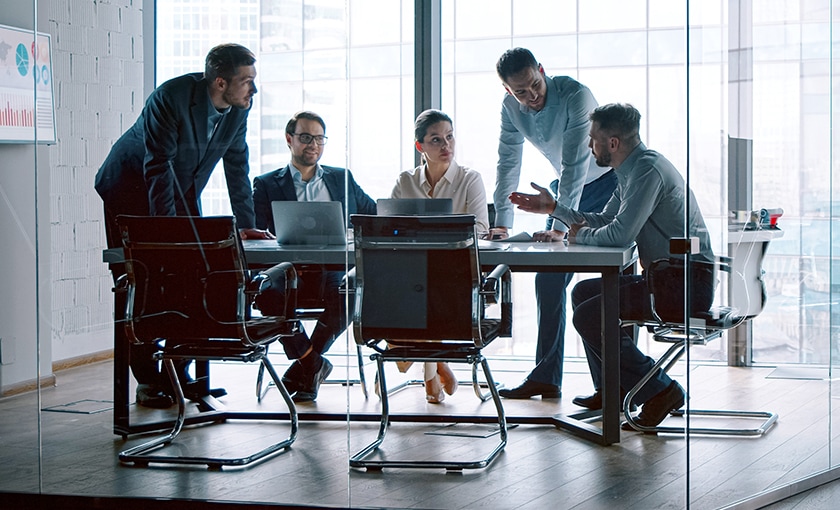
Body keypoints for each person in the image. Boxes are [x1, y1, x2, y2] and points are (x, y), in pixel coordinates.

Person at [509, 103, 715, 429]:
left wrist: (577, 237)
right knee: (583, 292)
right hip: (666, 278)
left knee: (590, 314)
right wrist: (555, 208)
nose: (590, 147)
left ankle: (661, 388)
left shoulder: (648, 171)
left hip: (686, 284)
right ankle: (612, 390)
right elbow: (605, 220)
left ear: (613, 143)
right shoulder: (631, 170)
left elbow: (620, 235)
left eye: (593, 140)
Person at [95, 43, 273, 409]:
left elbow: (237, 166)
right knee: (141, 280)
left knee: (193, 276)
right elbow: (157, 165)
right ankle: (148, 381)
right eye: (247, 81)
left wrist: (248, 225)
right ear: (220, 82)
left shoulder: (239, 108)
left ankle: (177, 370)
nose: (253, 90)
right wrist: (170, 236)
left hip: (181, 186)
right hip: (129, 187)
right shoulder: (171, 97)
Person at [490, 47, 618, 400]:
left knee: (609, 281)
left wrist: (561, 224)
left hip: (609, 185)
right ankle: (546, 375)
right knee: (548, 277)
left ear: (542, 71)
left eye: (534, 85)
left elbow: (575, 161)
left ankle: (612, 386)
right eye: (520, 92)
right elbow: (507, 162)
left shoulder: (576, 95)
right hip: (567, 191)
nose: (531, 96)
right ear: (508, 91)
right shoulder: (510, 110)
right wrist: (502, 221)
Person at [252, 110, 376, 402]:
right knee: (266, 297)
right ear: (289, 139)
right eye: (306, 137)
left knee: (351, 293)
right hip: (285, 271)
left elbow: (371, 215)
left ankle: (306, 365)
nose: (313, 144)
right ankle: (312, 364)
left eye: (319, 138)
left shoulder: (341, 178)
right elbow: (257, 232)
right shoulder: (267, 183)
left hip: (330, 270)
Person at [390, 108, 489, 403]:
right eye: (436, 140)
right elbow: (389, 229)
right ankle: (434, 365)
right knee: (389, 288)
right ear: (420, 146)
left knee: (425, 289)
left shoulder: (470, 179)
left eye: (449, 137)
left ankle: (418, 362)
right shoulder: (405, 182)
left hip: (455, 275)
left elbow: (480, 229)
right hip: (411, 275)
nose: (446, 145)